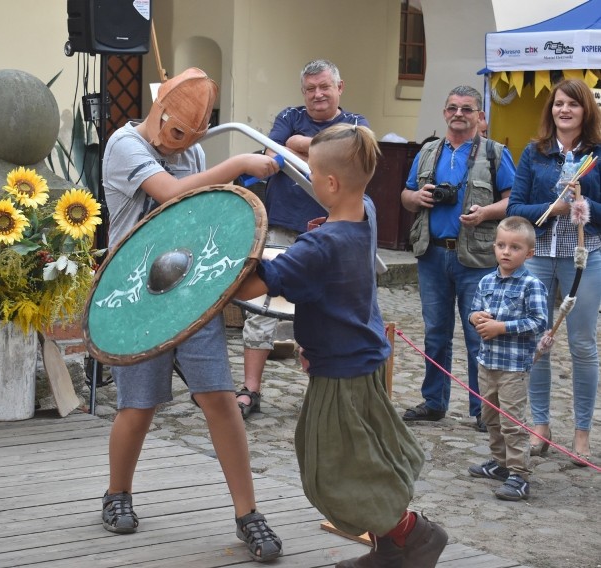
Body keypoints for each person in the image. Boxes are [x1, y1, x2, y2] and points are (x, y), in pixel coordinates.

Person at [236, 123, 448, 568]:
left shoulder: (319, 246)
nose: (309, 179)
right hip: (363, 359)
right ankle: (390, 547)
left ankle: (411, 535)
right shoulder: (365, 211)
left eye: (313, 173)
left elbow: (255, 284)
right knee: (362, 455)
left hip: (342, 372)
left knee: (337, 470)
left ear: (330, 183)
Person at [99, 67, 283, 562]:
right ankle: (117, 493)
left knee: (221, 399)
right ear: (158, 112)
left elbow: (199, 213)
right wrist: (241, 163)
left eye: (190, 140)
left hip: (189, 292)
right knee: (138, 406)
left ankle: (249, 515)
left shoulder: (193, 151)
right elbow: (171, 195)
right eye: (176, 134)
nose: (181, 148)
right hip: (135, 297)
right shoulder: (124, 145)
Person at [238, 59, 369, 418]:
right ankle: (251, 390)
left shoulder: (357, 124)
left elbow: (356, 162)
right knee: (261, 308)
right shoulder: (289, 116)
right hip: (280, 223)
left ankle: (320, 393)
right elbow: (270, 158)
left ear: (339, 88)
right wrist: (315, 149)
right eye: (310, 89)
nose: (317, 94)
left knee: (322, 310)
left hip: (331, 229)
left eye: (324, 87)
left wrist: (297, 144)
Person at [400, 85, 516, 432]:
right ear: (444, 112)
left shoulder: (495, 153)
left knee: (476, 334)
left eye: (467, 109)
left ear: (480, 116)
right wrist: (416, 197)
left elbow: (513, 201)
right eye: (452, 108)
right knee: (435, 333)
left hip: (476, 259)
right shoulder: (428, 152)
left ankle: (482, 409)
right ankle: (434, 402)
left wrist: (485, 213)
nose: (459, 114)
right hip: (432, 253)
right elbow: (405, 195)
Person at [505, 78, 601, 466]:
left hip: (585, 255)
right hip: (540, 254)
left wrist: (584, 205)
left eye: (573, 105)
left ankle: (582, 432)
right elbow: (516, 207)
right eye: (559, 103)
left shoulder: (597, 154)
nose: (564, 110)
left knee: (581, 344)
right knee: (538, 341)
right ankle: (540, 427)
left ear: (585, 112)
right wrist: (555, 208)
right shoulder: (535, 153)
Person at [467, 216, 547, 501]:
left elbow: (538, 321)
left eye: (514, 247)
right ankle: (500, 464)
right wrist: (475, 317)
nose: (505, 251)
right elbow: (473, 311)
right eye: (501, 245)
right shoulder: (487, 280)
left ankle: (519, 475)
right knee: (489, 417)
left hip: (513, 367)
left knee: (512, 422)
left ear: (529, 253)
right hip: (487, 363)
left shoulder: (531, 284)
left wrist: (502, 327)